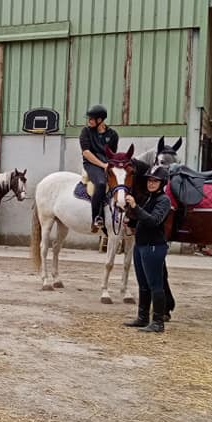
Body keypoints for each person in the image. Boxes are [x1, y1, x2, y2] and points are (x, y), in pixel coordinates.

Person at [123, 164, 173, 333]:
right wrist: (131, 221)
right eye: (149, 180)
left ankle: (158, 321)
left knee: (155, 284)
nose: (151, 184)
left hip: (154, 246)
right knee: (143, 283)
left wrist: (135, 207)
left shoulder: (163, 201)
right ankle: (143, 317)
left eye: (155, 181)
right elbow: (142, 219)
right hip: (141, 245)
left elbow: (153, 221)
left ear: (162, 183)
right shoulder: (148, 198)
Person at [79, 104, 119, 233]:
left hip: (107, 164)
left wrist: (111, 165)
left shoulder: (113, 135)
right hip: (91, 164)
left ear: (100, 120)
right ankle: (96, 218)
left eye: (91, 119)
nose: (89, 121)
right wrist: (103, 165)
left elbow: (112, 154)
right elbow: (86, 153)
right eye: (89, 119)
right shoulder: (85, 132)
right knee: (101, 183)